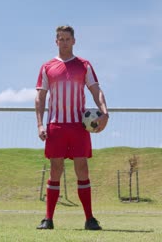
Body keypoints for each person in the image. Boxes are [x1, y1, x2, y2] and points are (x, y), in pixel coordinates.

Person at [35, 25, 109, 230]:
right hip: (56, 125)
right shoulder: (47, 67)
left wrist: (105, 112)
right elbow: (40, 97)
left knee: (82, 168)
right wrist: (40, 124)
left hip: (79, 126)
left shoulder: (84, 65)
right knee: (55, 169)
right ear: (56, 41)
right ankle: (48, 219)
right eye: (61, 39)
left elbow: (96, 90)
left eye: (68, 39)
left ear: (74, 41)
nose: (64, 42)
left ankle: (90, 219)